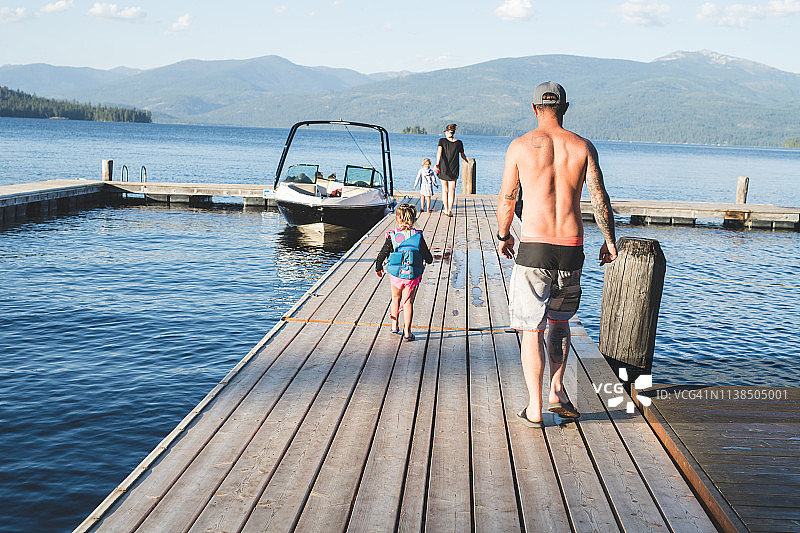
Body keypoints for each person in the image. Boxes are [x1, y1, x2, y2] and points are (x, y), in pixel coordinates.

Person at [496, 81, 617, 428]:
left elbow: (507, 197)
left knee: (530, 330)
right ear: (565, 108)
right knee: (559, 323)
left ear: (534, 109)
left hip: (534, 247)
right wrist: (609, 242)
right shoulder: (582, 147)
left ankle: (534, 408)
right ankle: (556, 390)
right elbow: (599, 198)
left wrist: (504, 235)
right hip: (571, 249)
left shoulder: (519, 147)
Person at [375, 203, 434, 341]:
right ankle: (407, 332)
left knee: (395, 298)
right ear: (414, 220)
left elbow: (382, 254)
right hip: (412, 276)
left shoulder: (393, 236)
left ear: (397, 219)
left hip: (396, 274)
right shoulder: (417, 237)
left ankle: (394, 325)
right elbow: (428, 258)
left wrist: (378, 268)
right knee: (408, 302)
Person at [434, 123, 468, 217]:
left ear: (447, 132)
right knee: (452, 190)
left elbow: (439, 152)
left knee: (445, 190)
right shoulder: (459, 143)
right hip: (454, 168)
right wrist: (466, 160)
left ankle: (446, 208)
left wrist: (437, 164)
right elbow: (462, 155)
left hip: (443, 167)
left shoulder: (442, 141)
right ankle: (450, 210)